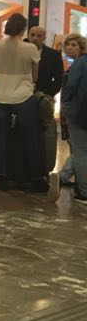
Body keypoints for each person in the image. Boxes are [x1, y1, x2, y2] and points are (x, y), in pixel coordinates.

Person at [0, 13, 42, 191]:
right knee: (30, 137)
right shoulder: (31, 49)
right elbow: (35, 76)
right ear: (23, 29)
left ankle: (1, 176)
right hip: (23, 95)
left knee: (0, 136)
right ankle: (35, 178)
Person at [55, 33, 87, 203]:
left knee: (80, 151)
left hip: (76, 111)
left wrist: (65, 101)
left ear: (81, 47)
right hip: (81, 111)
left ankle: (83, 190)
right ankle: (62, 177)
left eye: (74, 45)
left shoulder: (79, 63)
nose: (69, 48)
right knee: (79, 148)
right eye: (68, 45)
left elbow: (72, 86)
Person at [29, 26, 64, 97]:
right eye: (32, 35)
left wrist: (48, 94)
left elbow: (59, 79)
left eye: (39, 36)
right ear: (28, 36)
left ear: (44, 38)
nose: (35, 38)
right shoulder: (20, 52)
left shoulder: (54, 55)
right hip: (21, 96)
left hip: (44, 96)